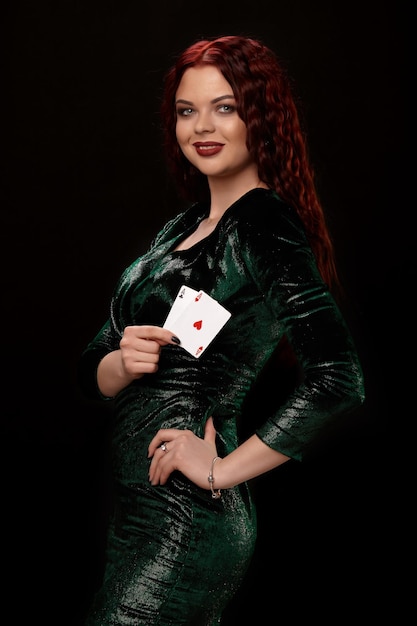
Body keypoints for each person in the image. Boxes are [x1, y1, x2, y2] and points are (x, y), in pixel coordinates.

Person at [78, 34, 365, 625]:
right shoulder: (178, 230)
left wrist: (216, 471)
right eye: (187, 110)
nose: (201, 126)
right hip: (135, 516)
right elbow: (95, 366)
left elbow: (338, 377)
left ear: (259, 116)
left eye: (225, 107)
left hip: (186, 520)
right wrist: (122, 360)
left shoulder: (263, 225)